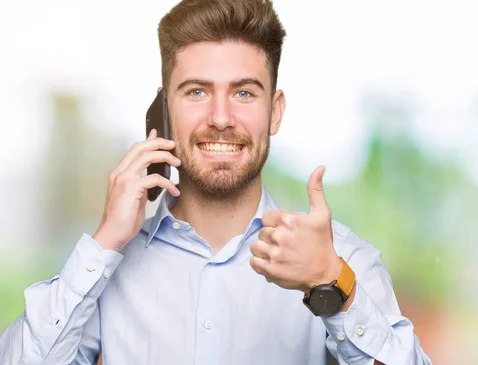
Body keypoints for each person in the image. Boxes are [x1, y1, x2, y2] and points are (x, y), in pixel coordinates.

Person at [0, 1, 432, 364]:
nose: (221, 118)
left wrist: (329, 283)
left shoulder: (342, 263)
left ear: (275, 111)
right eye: (197, 92)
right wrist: (106, 242)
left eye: (244, 93)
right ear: (164, 108)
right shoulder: (105, 267)